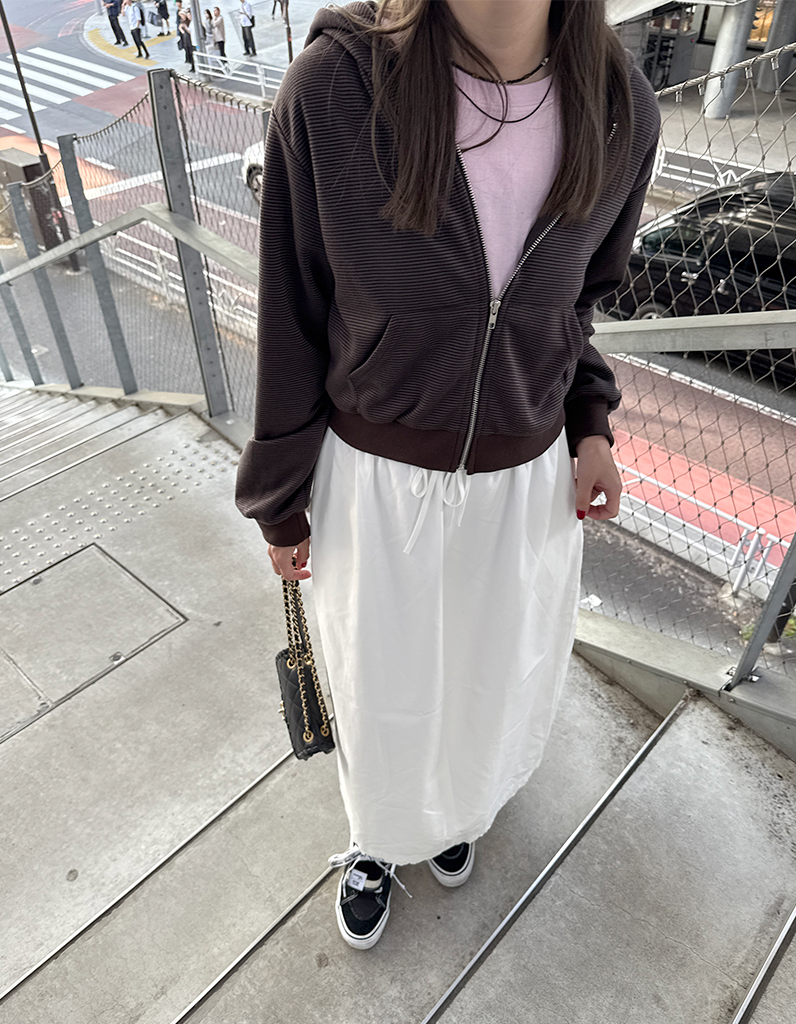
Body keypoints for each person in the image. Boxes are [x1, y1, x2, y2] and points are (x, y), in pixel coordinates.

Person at [235, 0, 660, 950]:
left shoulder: (619, 106)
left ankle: (454, 811)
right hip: (376, 482)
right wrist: (280, 501)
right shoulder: (335, 92)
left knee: (487, 682)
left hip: (524, 485)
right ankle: (379, 837)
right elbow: (291, 314)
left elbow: (575, 306)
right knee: (381, 688)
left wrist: (589, 423)